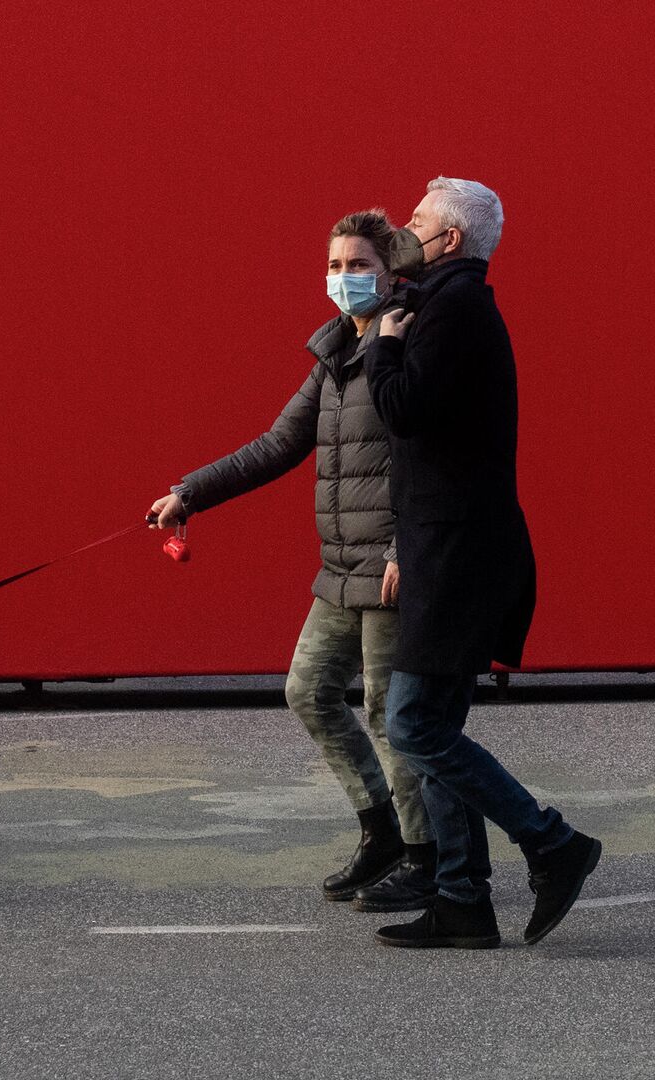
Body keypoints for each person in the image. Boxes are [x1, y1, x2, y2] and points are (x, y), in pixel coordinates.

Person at [148, 210, 434, 912]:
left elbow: (430, 459)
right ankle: (382, 831)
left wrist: (404, 547)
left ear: (389, 270)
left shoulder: (404, 346)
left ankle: (426, 855)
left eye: (359, 266)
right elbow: (276, 446)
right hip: (340, 565)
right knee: (307, 692)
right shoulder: (337, 354)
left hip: (390, 567)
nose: (344, 279)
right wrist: (190, 492)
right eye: (335, 266)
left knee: (385, 712)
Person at [366, 177, 599, 948]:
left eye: (416, 220)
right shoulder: (445, 303)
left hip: (460, 553)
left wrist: (385, 344)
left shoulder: (454, 309)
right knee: (434, 724)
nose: (403, 228)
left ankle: (553, 843)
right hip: (451, 547)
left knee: (414, 726)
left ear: (450, 240)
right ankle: (463, 899)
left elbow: (402, 408)